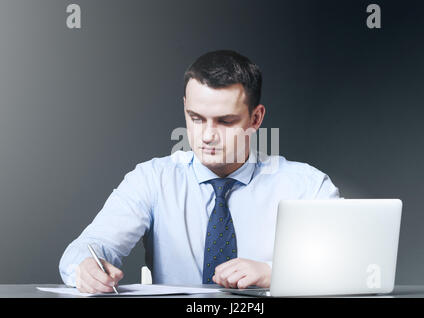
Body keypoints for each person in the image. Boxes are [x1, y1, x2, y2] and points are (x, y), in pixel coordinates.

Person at [59, 49, 340, 293]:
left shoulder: (307, 187)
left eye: (225, 121)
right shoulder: (152, 180)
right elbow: (92, 245)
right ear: (185, 108)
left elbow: (348, 263)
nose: (207, 136)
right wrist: (85, 267)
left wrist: (274, 272)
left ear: (256, 118)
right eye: (195, 118)